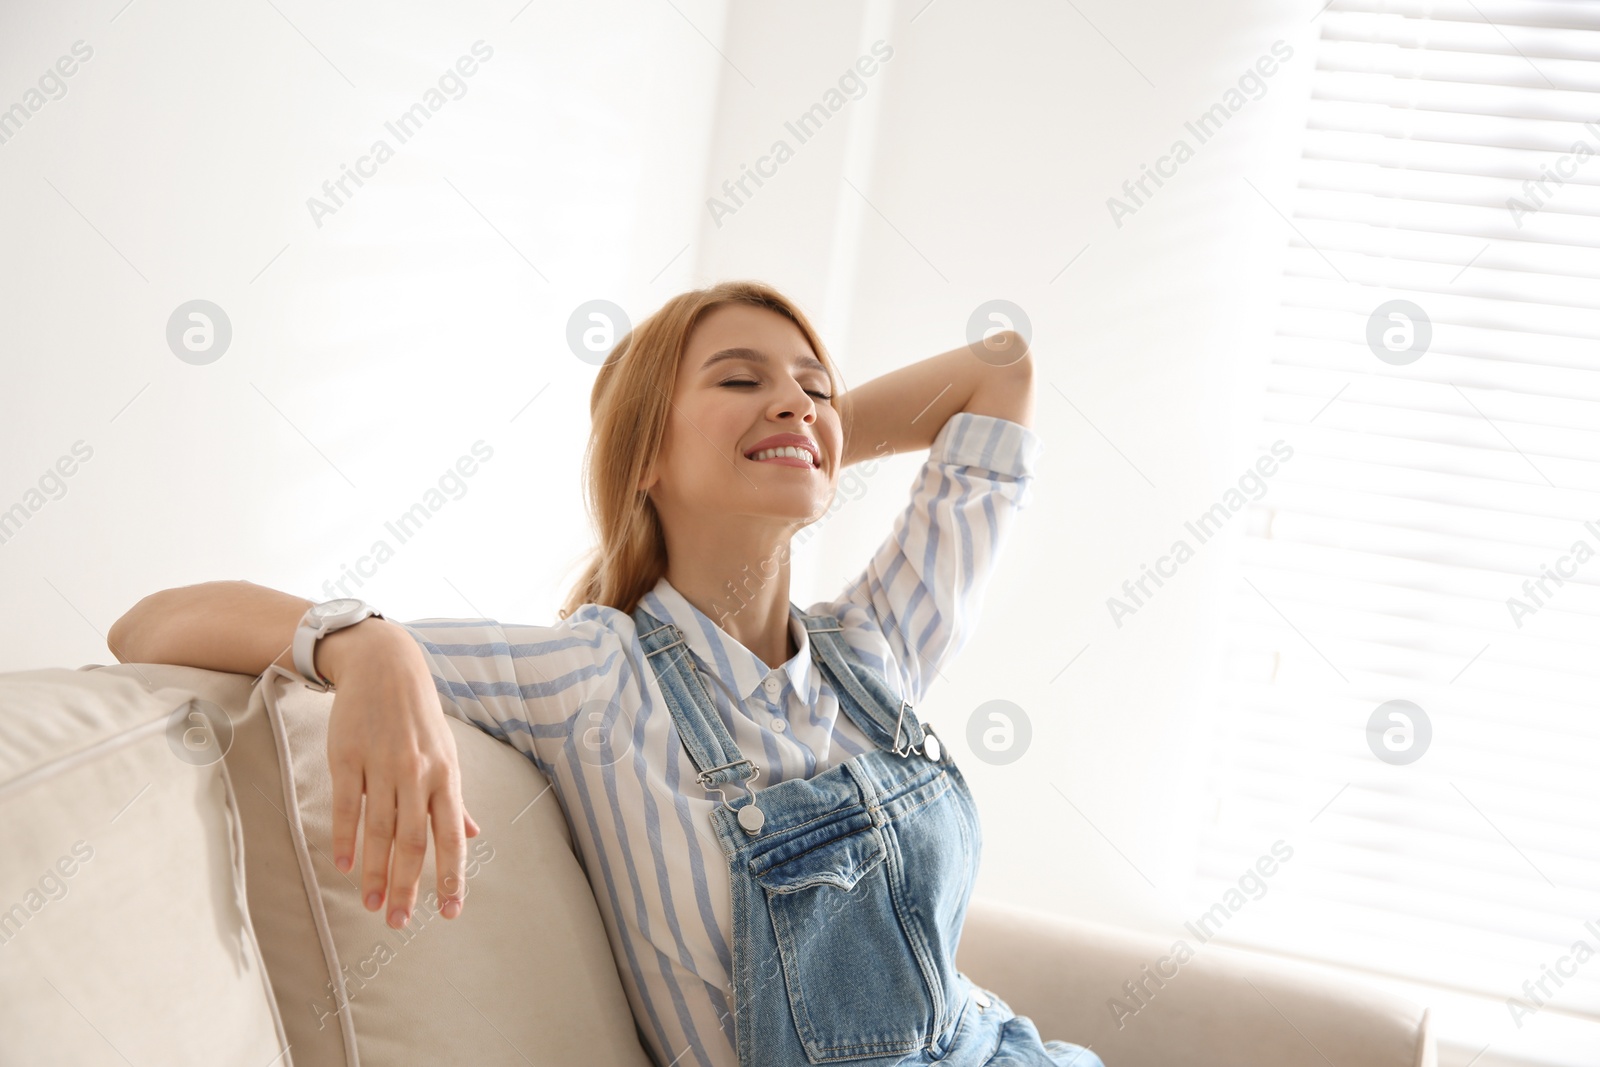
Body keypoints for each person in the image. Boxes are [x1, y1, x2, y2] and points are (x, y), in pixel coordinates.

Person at [109, 280, 1103, 1067]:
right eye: (737, 377)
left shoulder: (877, 647)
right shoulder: (587, 675)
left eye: (815, 382)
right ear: (641, 456)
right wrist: (368, 641)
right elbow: (149, 621)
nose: (794, 396)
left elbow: (998, 369)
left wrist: (808, 436)